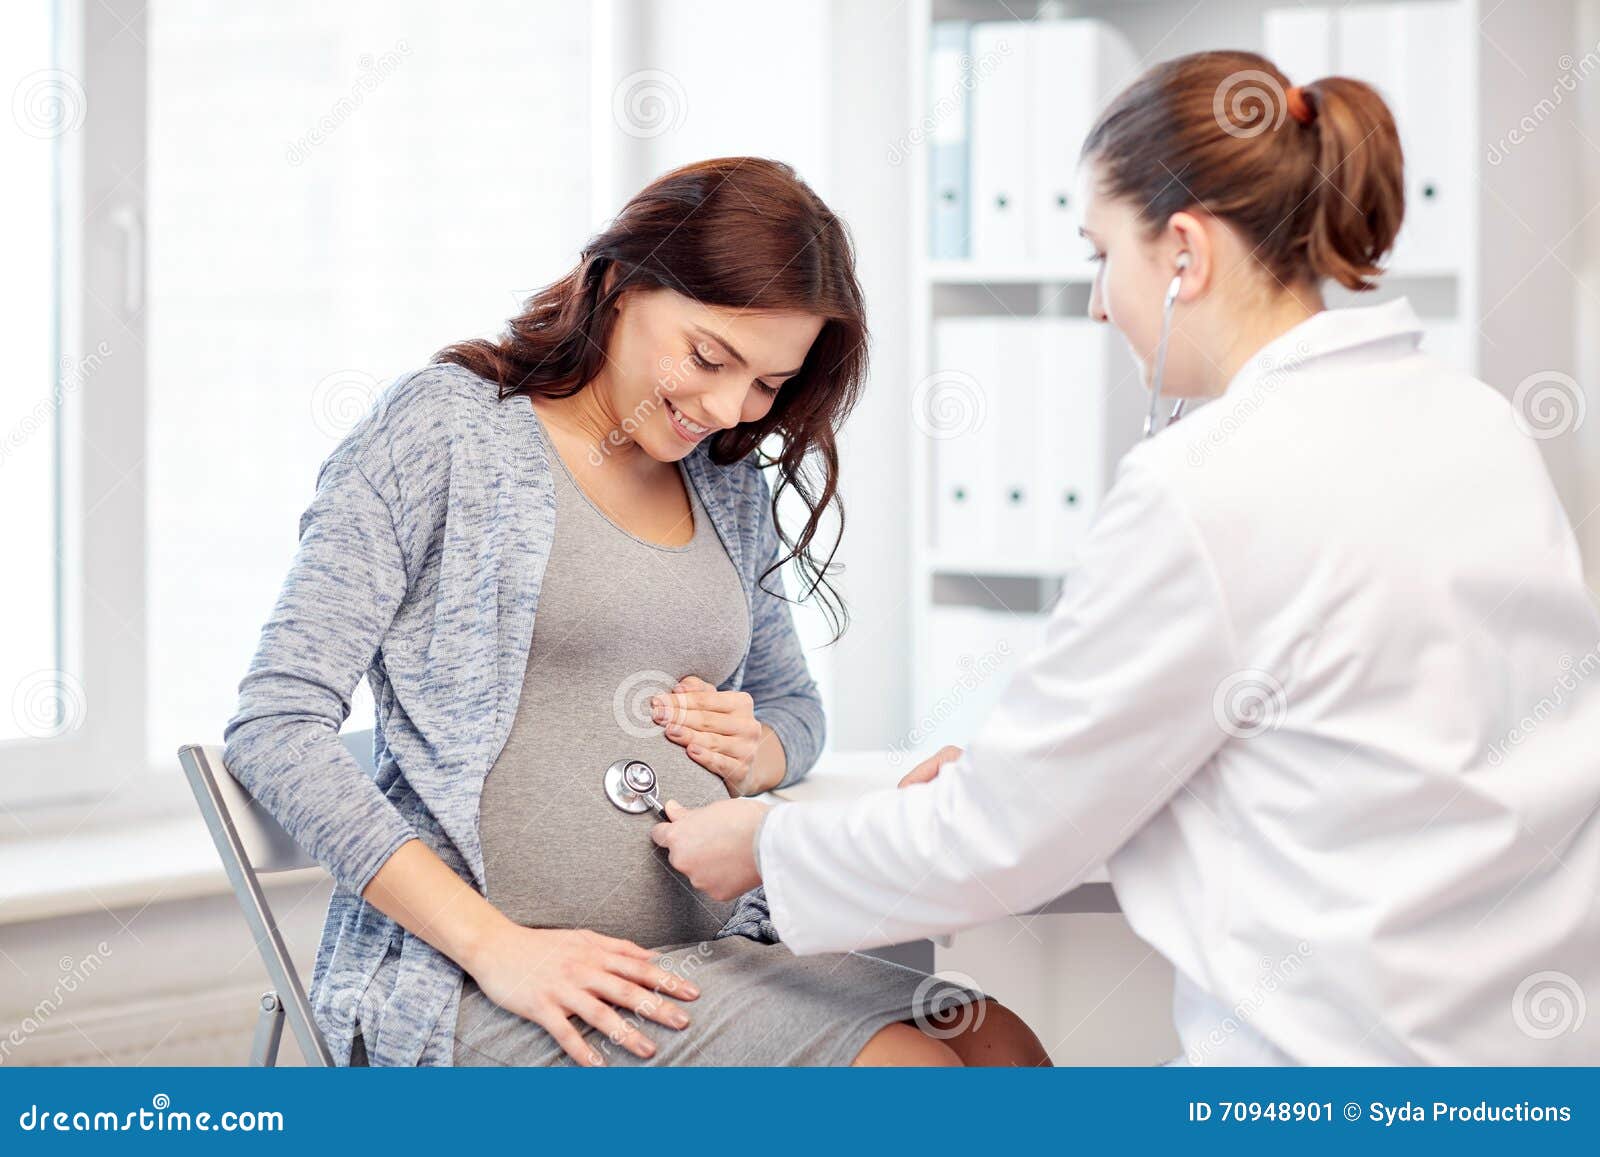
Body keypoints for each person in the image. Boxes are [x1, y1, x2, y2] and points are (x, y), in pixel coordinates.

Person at [653, 55, 1600, 1065]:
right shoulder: (1475, 420)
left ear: (1183, 251)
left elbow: (996, 843)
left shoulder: (1206, 484)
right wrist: (1050, 770)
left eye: (1101, 253)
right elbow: (1374, 739)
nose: (1101, 304)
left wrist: (763, 845)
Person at [225, 156, 1047, 1067]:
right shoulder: (446, 432)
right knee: (913, 1078)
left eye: (768, 384)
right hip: (490, 981)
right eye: (707, 356)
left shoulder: (724, 481)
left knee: (1001, 1045)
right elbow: (274, 728)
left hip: (718, 950)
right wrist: (499, 949)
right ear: (618, 284)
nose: (729, 406)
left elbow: (795, 711)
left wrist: (758, 747)